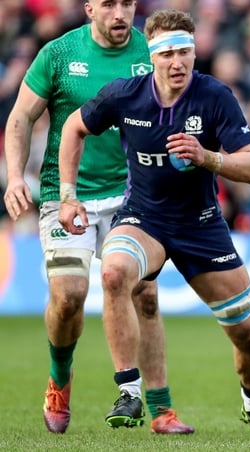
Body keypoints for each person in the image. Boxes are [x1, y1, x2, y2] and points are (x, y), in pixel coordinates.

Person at [56, 9, 250, 437]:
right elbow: (73, 128)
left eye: (185, 51)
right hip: (145, 218)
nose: (177, 61)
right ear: (152, 55)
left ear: (195, 53)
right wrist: (68, 196)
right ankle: (129, 389)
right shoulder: (125, 94)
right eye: (167, 53)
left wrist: (207, 157)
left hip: (201, 226)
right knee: (112, 273)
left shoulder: (215, 96)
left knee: (248, 337)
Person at [2, 0, 192, 434]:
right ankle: (59, 377)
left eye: (127, 3)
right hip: (67, 194)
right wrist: (15, 177)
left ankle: (161, 409)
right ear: (89, 8)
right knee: (68, 297)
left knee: (143, 293)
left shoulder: (151, 51)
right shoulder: (60, 54)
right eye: (109, 4)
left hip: (133, 195)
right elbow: (21, 117)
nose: (120, 12)